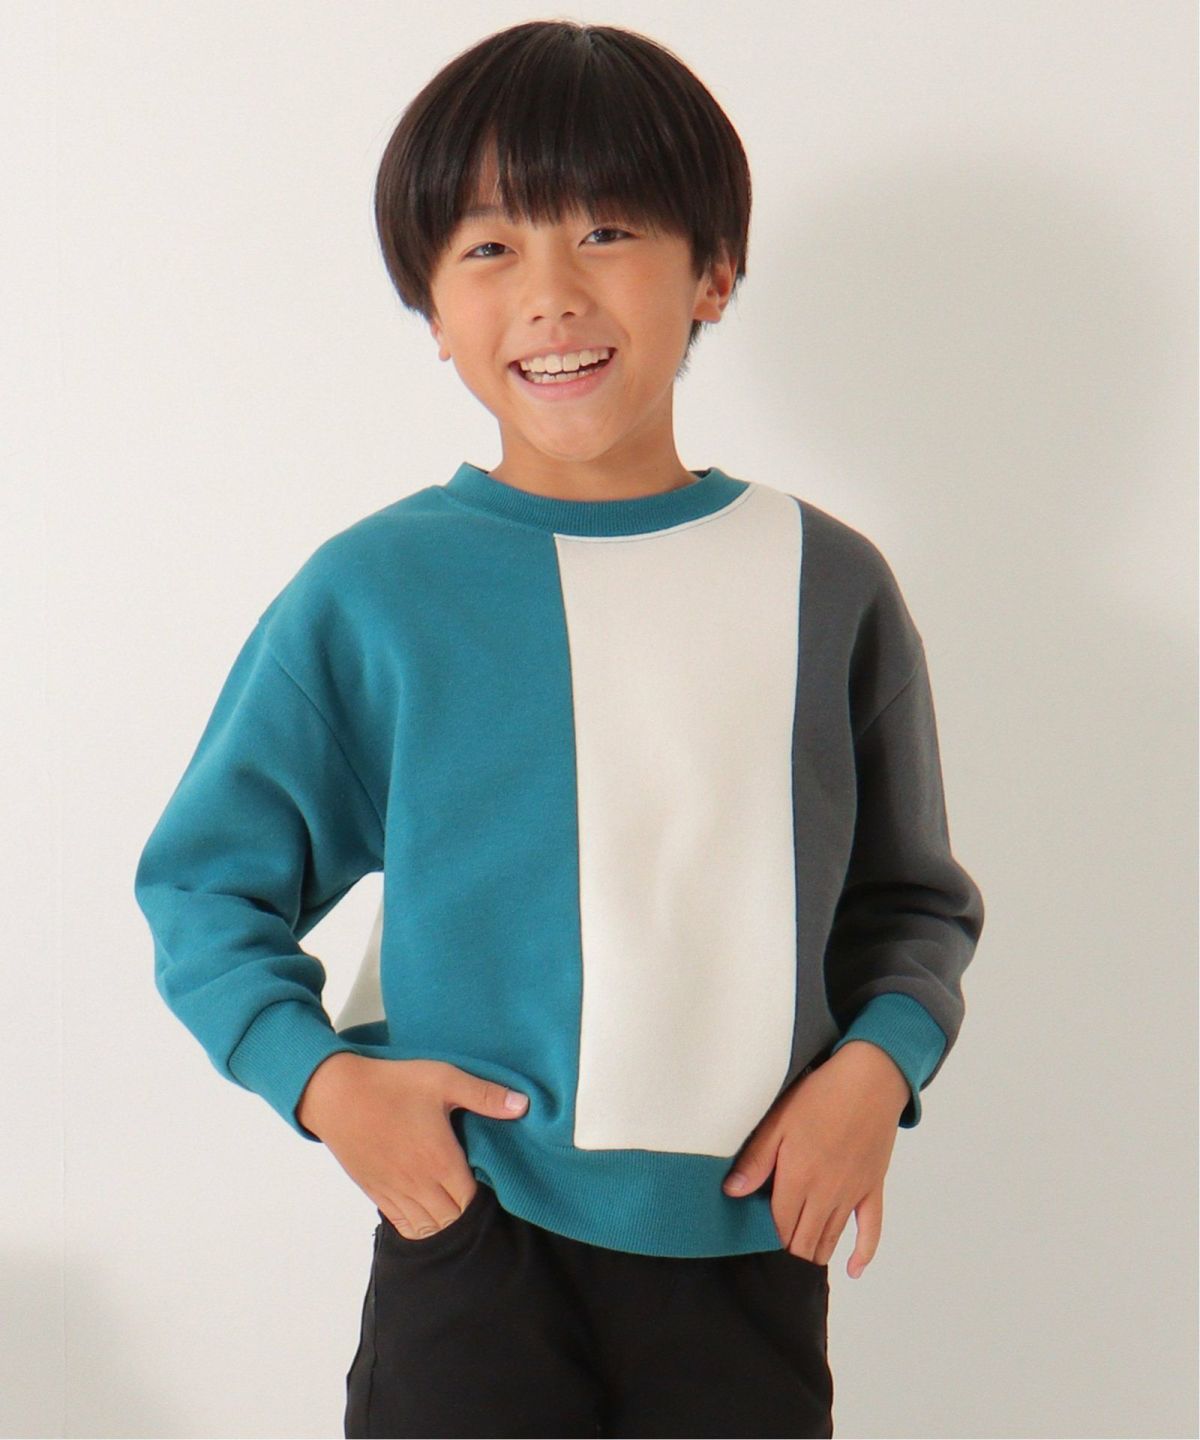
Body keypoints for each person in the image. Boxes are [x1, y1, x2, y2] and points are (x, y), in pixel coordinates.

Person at [133, 19, 985, 1439]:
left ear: (713, 270)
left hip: (748, 1239)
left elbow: (910, 903)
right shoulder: (378, 590)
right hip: (475, 1237)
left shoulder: (824, 581)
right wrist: (326, 1085)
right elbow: (206, 883)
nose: (550, 294)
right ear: (430, 304)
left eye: (606, 231)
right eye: (488, 247)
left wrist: (875, 1070)